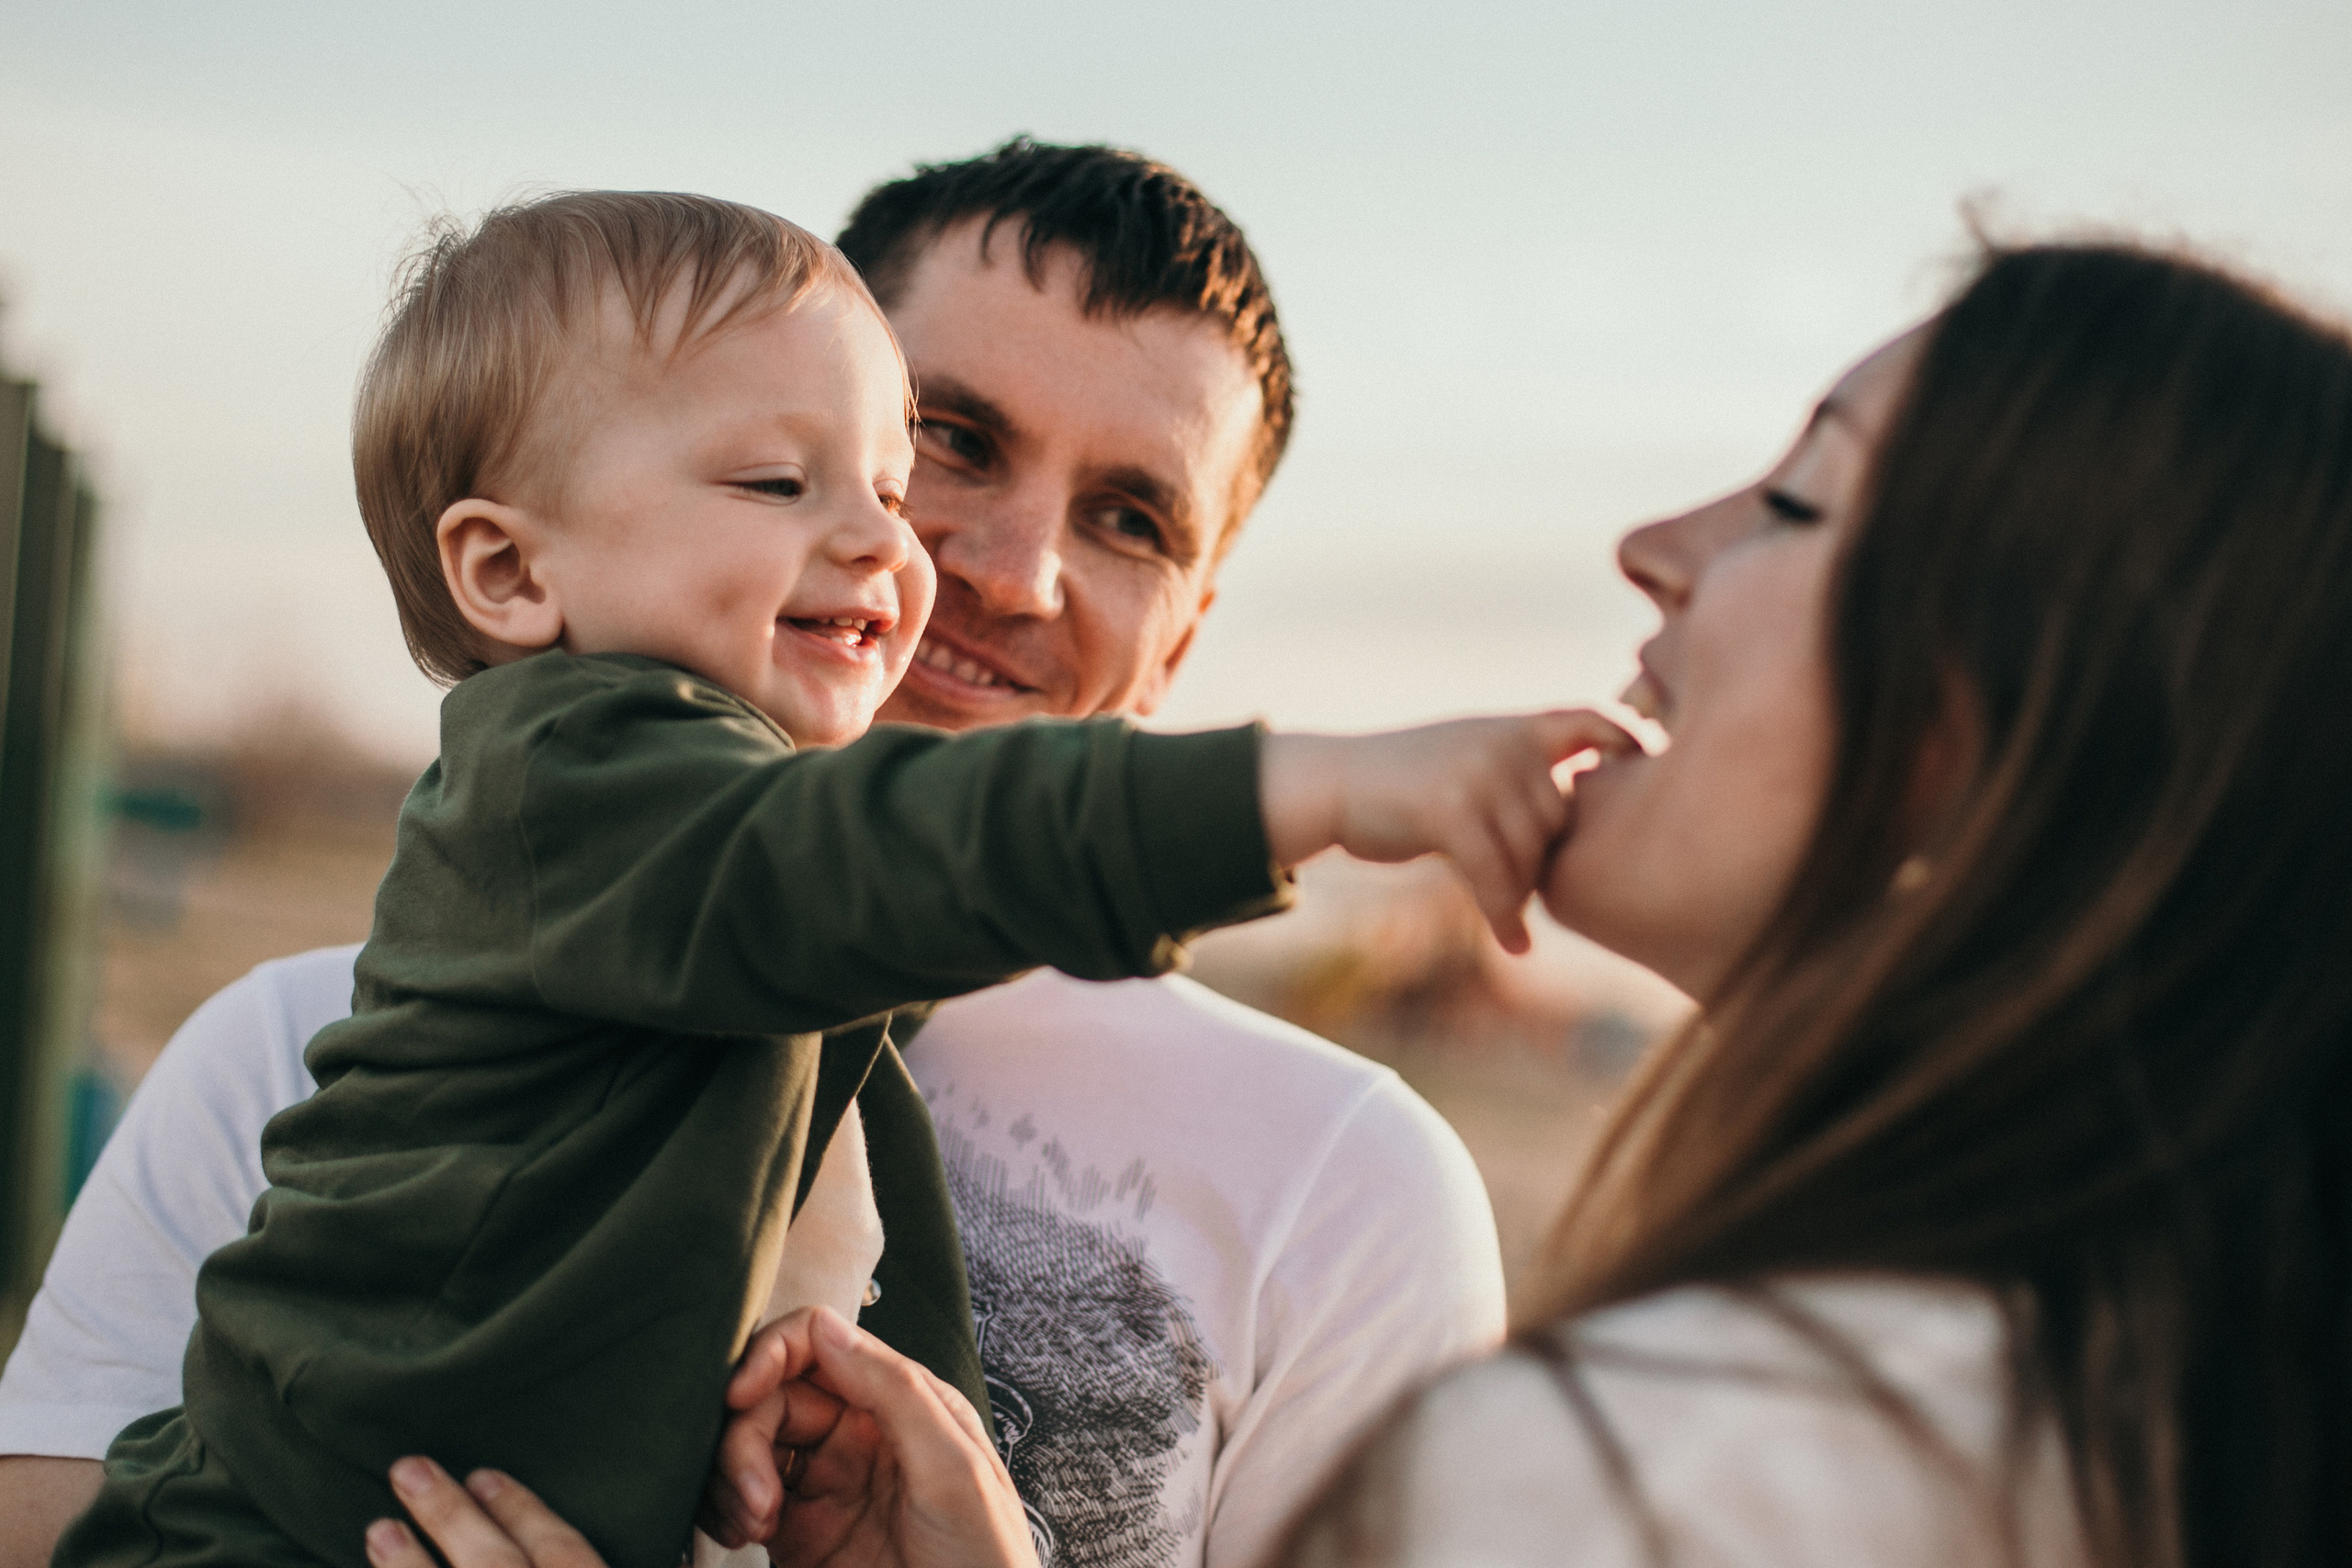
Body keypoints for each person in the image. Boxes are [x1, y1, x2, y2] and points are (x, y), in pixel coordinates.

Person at [412, 237, 2352, 1568]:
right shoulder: (375, 1039)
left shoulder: (1689, 1442)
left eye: (1794, 502)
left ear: (1996, 725)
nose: (1651, 544)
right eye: (933, 445)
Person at [0, 143, 1512, 1568]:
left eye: (1129, 517)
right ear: (514, 562)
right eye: (951, 445)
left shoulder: (1352, 1187)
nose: (991, 570)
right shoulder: (295, 1049)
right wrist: (1305, 787)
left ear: (1186, 633)